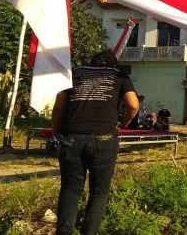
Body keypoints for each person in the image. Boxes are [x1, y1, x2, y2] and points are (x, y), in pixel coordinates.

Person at [51, 50, 140, 235]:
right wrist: (123, 122)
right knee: (98, 192)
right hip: (104, 139)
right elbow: (133, 105)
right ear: (113, 65)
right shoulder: (120, 76)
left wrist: (57, 132)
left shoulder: (75, 73)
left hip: (71, 139)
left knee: (70, 189)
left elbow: (59, 106)